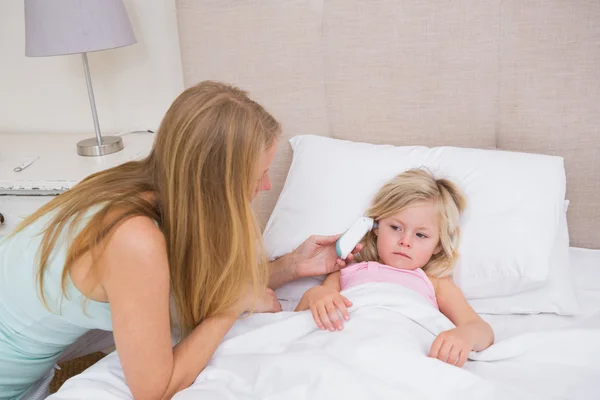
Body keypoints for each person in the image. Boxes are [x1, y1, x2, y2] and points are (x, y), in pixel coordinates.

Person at [0, 81, 359, 400]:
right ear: (215, 181)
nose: (265, 187)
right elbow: (155, 390)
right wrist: (228, 309)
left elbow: (188, 288)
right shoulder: (134, 237)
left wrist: (288, 267)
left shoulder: (141, 184)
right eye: (258, 175)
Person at [295, 169, 494, 368]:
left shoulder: (436, 283)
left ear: (438, 246)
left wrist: (464, 336)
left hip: (401, 351)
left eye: (421, 235)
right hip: (343, 346)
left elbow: (480, 328)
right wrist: (315, 295)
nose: (405, 241)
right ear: (375, 227)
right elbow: (299, 316)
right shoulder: (346, 272)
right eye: (396, 228)